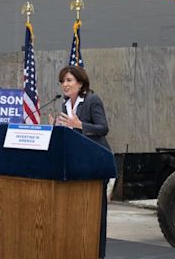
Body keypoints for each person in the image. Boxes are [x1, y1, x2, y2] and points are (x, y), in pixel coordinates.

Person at [51, 65, 111, 259]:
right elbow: (72, 134)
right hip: (77, 162)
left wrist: (79, 125)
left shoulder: (92, 100)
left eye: (68, 80)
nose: (65, 85)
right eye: (62, 81)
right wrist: (59, 127)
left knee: (96, 210)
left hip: (96, 160)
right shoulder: (65, 105)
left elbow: (103, 128)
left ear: (81, 82)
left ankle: (97, 253)